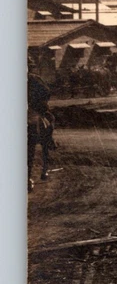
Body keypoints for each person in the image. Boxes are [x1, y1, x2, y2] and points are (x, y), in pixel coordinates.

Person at [28, 63, 55, 192]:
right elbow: (47, 92)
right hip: (32, 113)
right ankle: (49, 141)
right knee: (49, 120)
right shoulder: (34, 78)